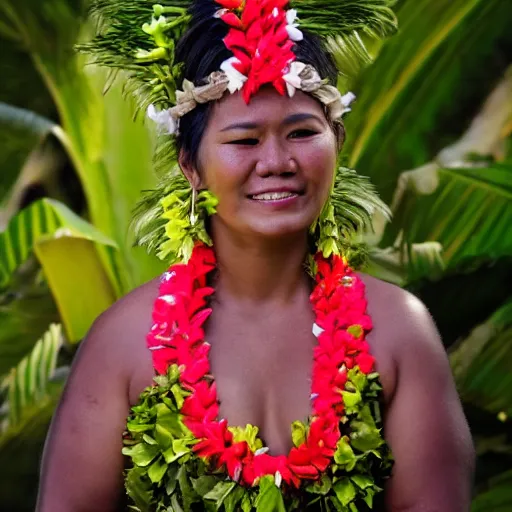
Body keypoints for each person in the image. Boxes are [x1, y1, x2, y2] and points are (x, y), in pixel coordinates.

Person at [36, 0, 475, 510]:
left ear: (337, 139)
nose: (277, 162)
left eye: (302, 133)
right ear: (191, 168)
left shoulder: (398, 332)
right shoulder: (123, 343)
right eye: (244, 139)